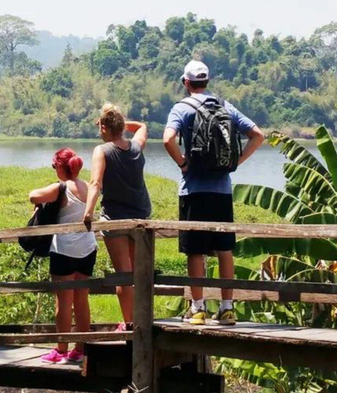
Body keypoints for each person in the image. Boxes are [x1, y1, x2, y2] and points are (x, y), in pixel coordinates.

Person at [163, 60, 264, 325]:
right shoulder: (224, 106)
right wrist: (235, 163)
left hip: (193, 191)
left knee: (195, 251)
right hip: (222, 192)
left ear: (186, 83)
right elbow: (257, 135)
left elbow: (167, 139)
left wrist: (183, 163)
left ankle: (198, 309)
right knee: (224, 250)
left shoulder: (181, 108)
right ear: (207, 81)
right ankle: (227, 308)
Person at [82, 104, 151, 330]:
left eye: (101, 126)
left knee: (124, 273)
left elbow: (95, 183)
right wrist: (120, 122)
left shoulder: (102, 151)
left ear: (103, 127)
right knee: (139, 273)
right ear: (121, 126)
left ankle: (130, 323)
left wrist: (88, 212)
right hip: (140, 216)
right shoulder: (136, 146)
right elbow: (142, 126)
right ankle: (141, 321)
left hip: (116, 218)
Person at [29, 148, 96, 364]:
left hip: (64, 249)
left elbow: (33, 195)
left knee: (63, 302)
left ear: (60, 166)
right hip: (88, 248)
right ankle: (81, 347)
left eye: (54, 165)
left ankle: (61, 349)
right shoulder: (88, 186)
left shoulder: (61, 188)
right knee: (82, 300)